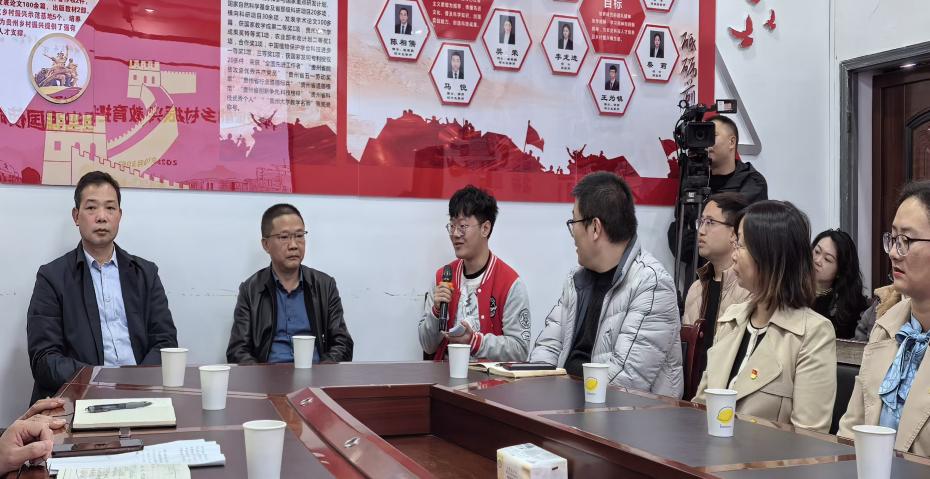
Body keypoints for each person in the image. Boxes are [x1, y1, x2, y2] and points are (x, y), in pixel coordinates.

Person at [27, 171, 178, 403]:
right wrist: (99, 380)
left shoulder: (145, 274)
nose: (101, 217)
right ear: (76, 216)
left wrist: (136, 384)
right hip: (80, 399)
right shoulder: (52, 277)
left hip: (141, 395)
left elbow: (165, 343)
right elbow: (44, 359)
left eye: (110, 208)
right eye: (91, 208)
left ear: (119, 215)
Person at [529, 172, 683, 398]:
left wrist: (557, 399)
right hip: (569, 406)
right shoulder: (576, 280)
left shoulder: (652, 285)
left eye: (574, 222)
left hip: (628, 414)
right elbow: (547, 348)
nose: (572, 233)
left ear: (595, 228)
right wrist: (539, 391)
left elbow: (625, 381)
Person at [692, 201, 837, 433]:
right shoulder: (731, 320)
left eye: (740, 245)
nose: (734, 255)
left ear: (769, 255)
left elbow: (810, 438)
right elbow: (700, 408)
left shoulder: (813, 333)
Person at [839, 180, 930, 456]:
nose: (892, 252)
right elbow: (851, 430)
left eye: (906, 241)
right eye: (893, 238)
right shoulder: (886, 327)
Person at [227, 204, 353, 364]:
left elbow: (343, 344)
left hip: (315, 374)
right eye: (284, 237)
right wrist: (260, 374)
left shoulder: (325, 286)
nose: (293, 245)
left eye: (299, 235)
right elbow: (237, 350)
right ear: (266, 244)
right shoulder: (250, 290)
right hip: (268, 376)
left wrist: (322, 371)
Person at [419, 186, 530, 362]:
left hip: (490, 378)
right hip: (445, 374)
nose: (455, 234)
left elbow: (520, 350)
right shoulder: (443, 278)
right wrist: (436, 311)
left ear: (485, 228)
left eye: (462, 226)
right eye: (452, 226)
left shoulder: (509, 284)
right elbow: (427, 345)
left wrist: (475, 341)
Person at [667, 115, 769, 273]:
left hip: (737, 276)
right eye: (702, 135)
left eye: (712, 135)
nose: (706, 143)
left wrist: (704, 237)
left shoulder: (752, 182)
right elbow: (679, 239)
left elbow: (745, 237)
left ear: (731, 142)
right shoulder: (692, 181)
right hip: (696, 275)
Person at [811, 229, 869, 339]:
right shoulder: (791, 291)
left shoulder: (848, 309)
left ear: (840, 271)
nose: (817, 261)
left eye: (827, 259)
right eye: (817, 252)